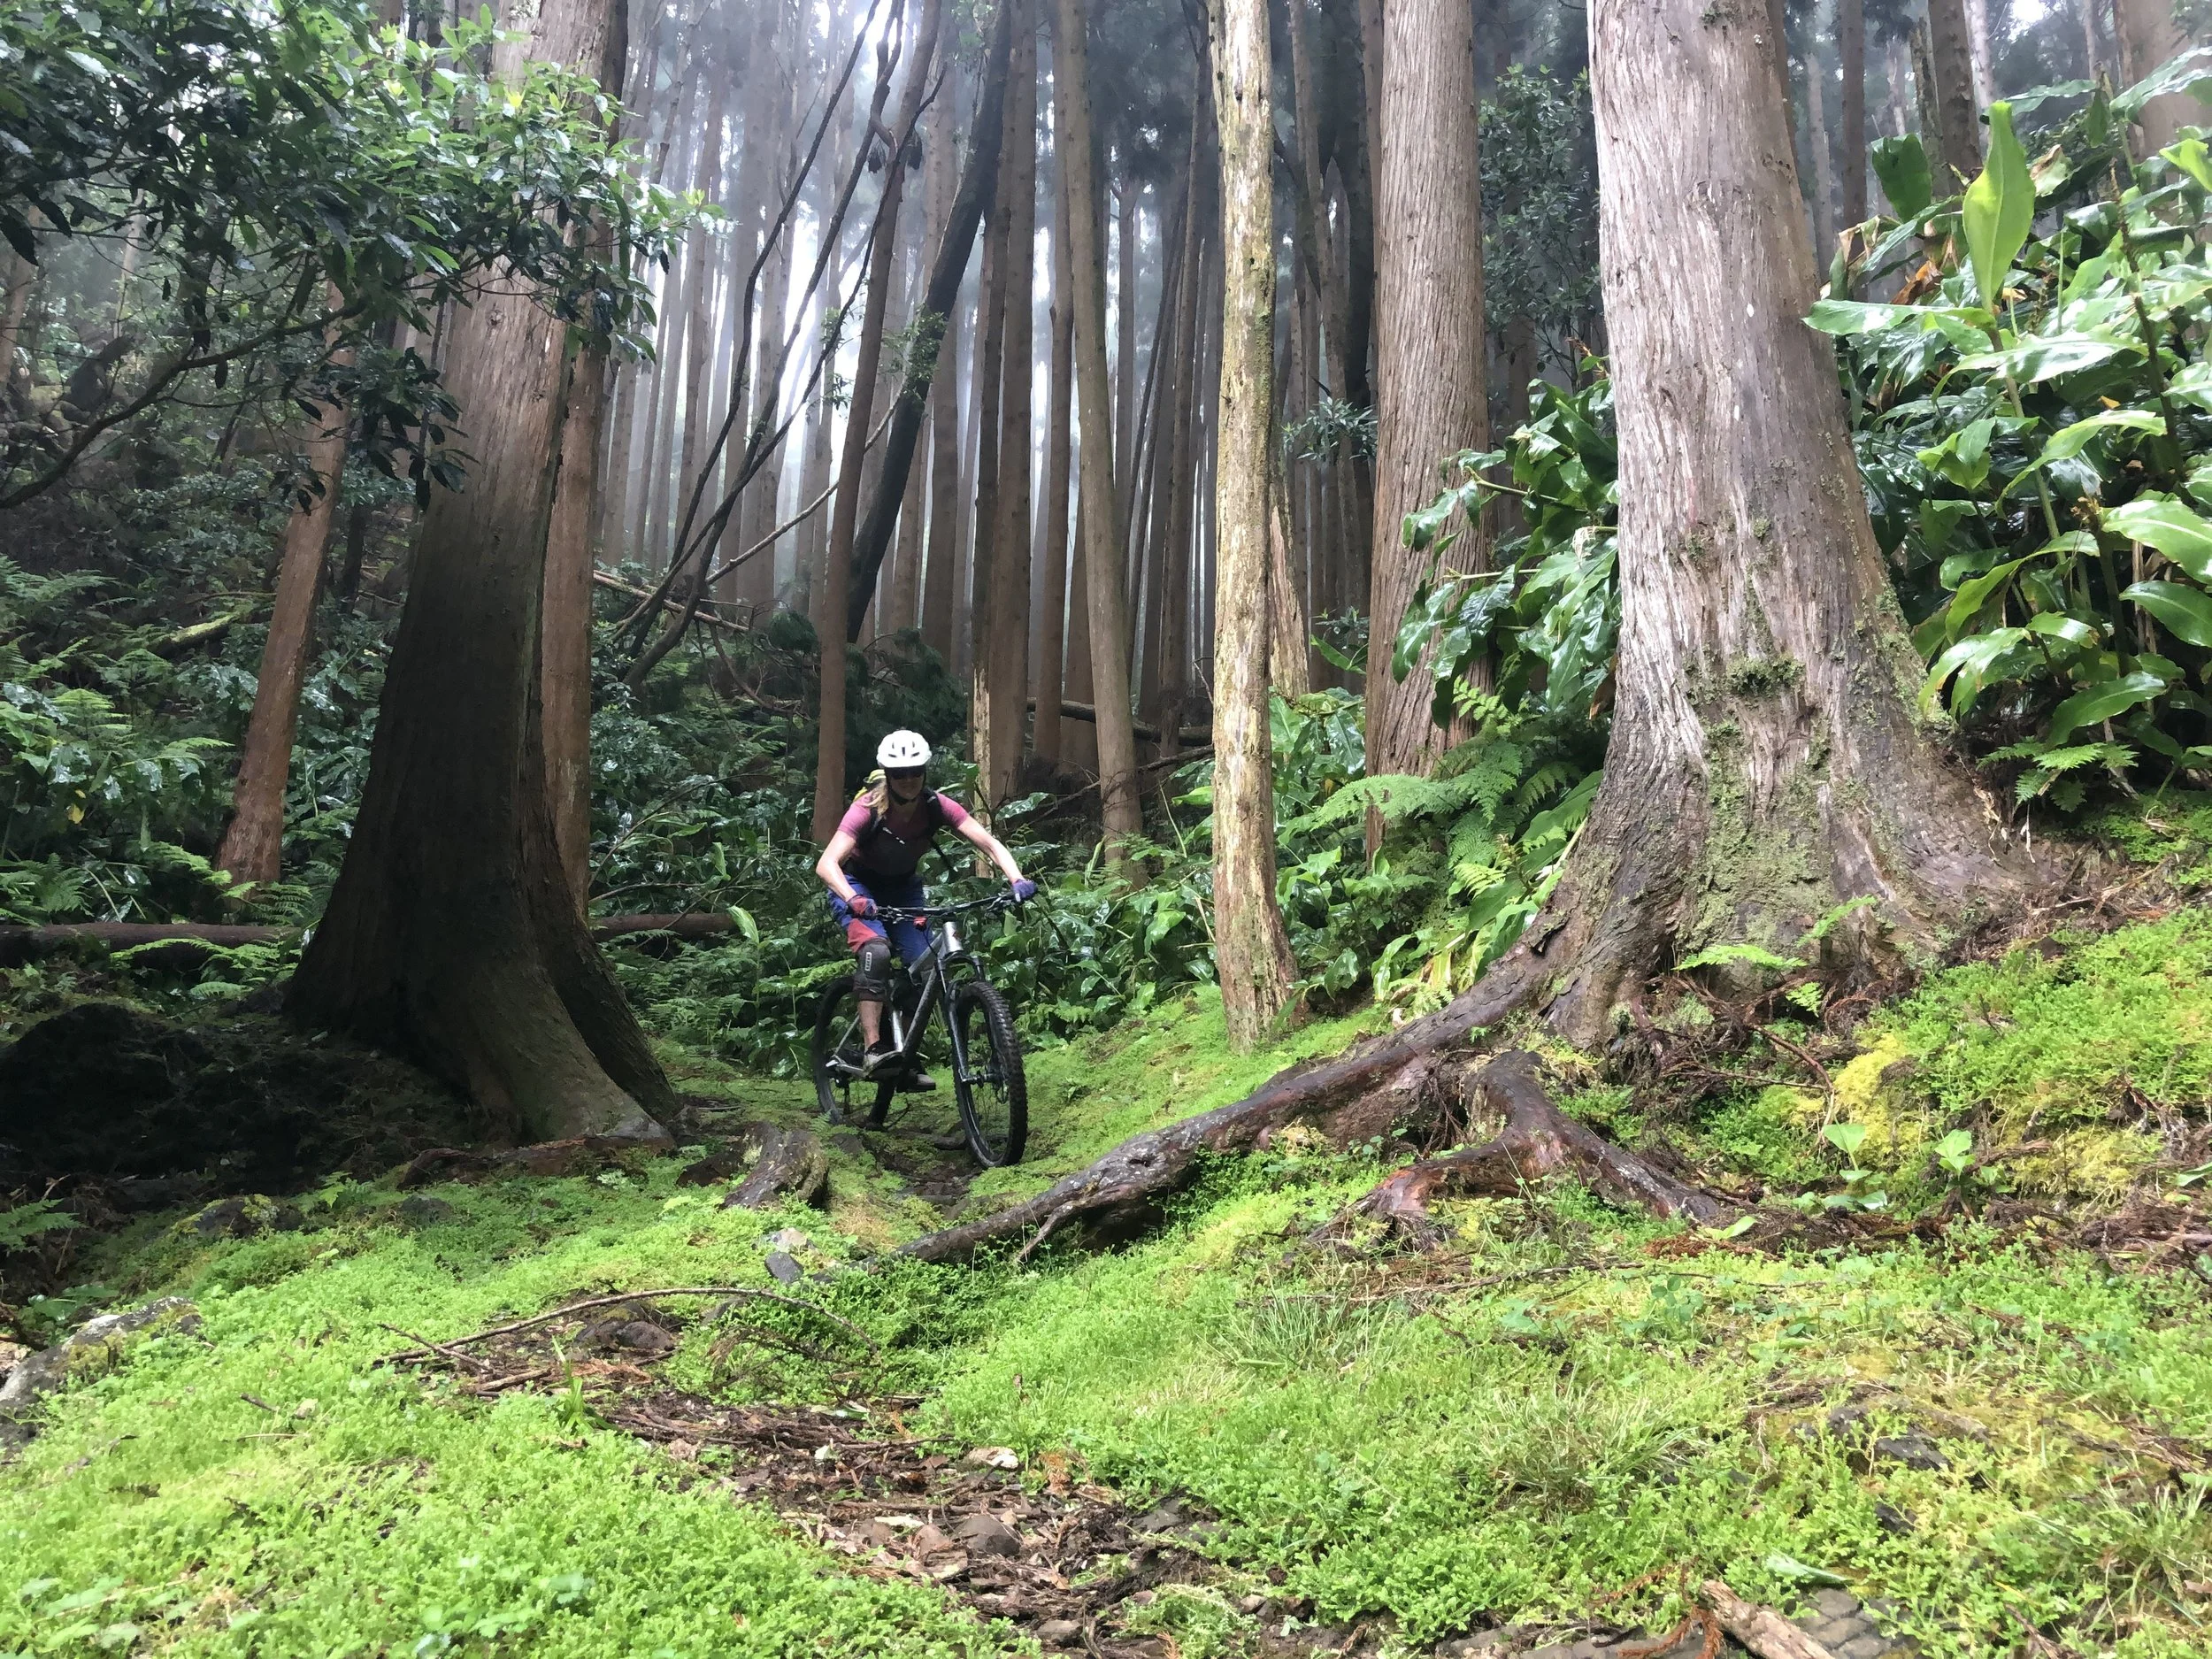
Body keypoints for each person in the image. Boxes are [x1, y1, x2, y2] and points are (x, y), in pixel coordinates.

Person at [815, 729, 1036, 1075]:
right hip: (857, 885)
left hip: (903, 890)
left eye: (915, 771)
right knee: (877, 952)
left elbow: (989, 843)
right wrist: (853, 898)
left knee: (928, 965)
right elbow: (827, 864)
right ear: (888, 776)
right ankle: (874, 1048)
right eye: (900, 773)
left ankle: (902, 1053)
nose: (908, 780)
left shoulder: (936, 806)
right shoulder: (867, 809)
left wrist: (1017, 879)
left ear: (924, 772)